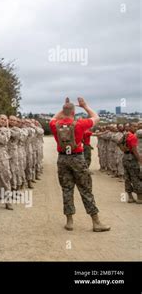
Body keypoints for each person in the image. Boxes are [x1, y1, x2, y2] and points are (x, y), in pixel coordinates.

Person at [49, 97, 110, 232]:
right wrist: (85, 106)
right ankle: (96, 222)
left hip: (62, 159)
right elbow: (96, 117)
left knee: (67, 189)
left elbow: (53, 118)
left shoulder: (55, 125)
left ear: (63, 111)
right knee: (85, 189)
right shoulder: (80, 124)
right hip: (77, 158)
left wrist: (64, 107)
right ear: (74, 112)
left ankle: (69, 221)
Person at [118, 123, 142, 203]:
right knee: (136, 177)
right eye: (134, 126)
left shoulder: (126, 135)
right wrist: (139, 160)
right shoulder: (132, 136)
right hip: (132, 158)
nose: (136, 128)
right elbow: (135, 150)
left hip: (125, 157)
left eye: (136, 126)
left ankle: (130, 197)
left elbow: (119, 142)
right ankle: (139, 197)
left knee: (127, 177)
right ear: (130, 127)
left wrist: (124, 149)